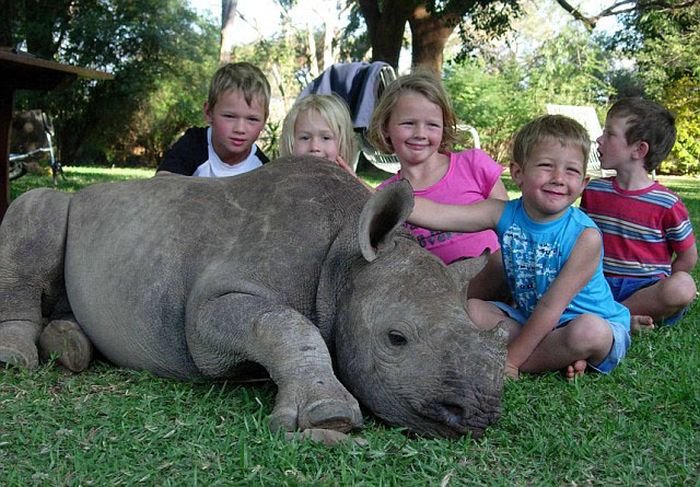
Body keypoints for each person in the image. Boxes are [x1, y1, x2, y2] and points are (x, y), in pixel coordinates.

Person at [406, 114, 634, 380]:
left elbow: (552, 306)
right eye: (546, 166)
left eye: (571, 170)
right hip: (532, 319)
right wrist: (378, 199)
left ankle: (527, 358)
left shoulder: (585, 237)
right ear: (518, 174)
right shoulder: (503, 213)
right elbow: (443, 215)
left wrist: (510, 361)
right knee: (473, 309)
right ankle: (557, 357)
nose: (559, 178)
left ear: (583, 183)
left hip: (590, 324)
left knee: (589, 331)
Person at [367, 71, 509, 301]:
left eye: (432, 125)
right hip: (435, 302)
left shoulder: (474, 165)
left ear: (444, 127)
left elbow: (511, 231)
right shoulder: (385, 195)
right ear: (385, 127)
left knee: (503, 260)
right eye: (408, 123)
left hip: (498, 283)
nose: (420, 133)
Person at [580, 98, 697, 332]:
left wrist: (660, 286)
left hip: (644, 291)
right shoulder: (594, 191)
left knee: (683, 286)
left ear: (638, 149)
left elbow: (688, 257)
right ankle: (619, 318)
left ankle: (611, 316)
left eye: (609, 134)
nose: (599, 140)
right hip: (597, 285)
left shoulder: (667, 203)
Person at [156, 62, 270, 177]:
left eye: (252, 119)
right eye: (229, 116)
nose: (240, 129)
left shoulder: (263, 168)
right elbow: (163, 183)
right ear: (209, 113)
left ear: (264, 120)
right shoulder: (193, 144)